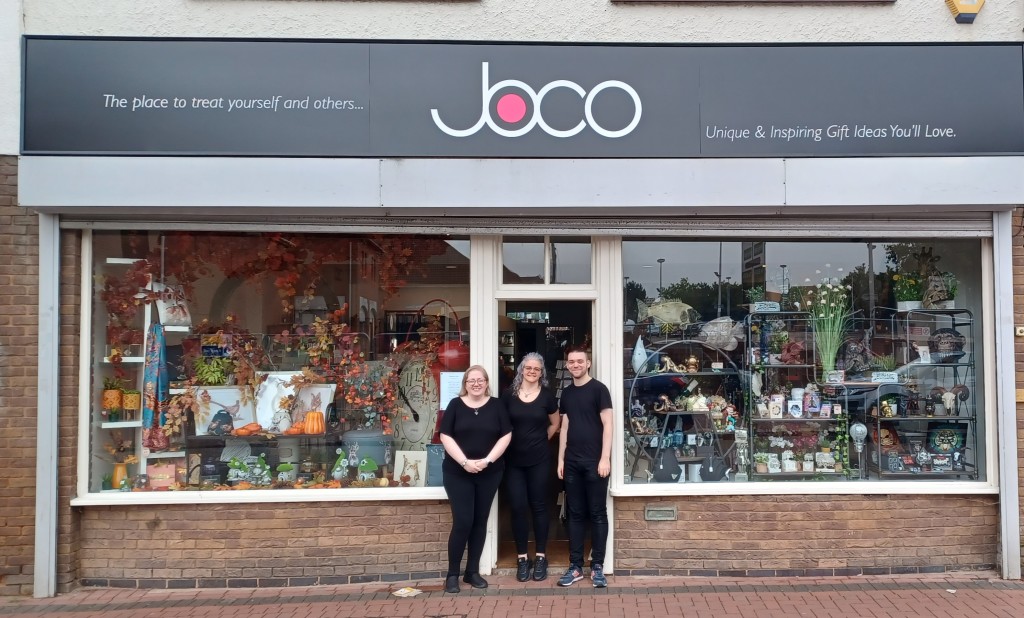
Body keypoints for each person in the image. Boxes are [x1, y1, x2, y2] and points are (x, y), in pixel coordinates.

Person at [438, 365, 512, 594]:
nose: (476, 384)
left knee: (480, 521)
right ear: (465, 384)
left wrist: (487, 460)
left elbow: (506, 434)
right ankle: (452, 574)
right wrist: (464, 462)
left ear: (487, 382)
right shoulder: (455, 405)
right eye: (472, 381)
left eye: (480, 380)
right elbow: (445, 435)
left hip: (489, 473)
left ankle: (472, 572)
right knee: (463, 522)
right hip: (457, 472)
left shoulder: (497, 405)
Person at [501, 352, 560, 582]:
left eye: (537, 369)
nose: (532, 371)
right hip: (514, 461)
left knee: (539, 507)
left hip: (539, 460)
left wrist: (544, 438)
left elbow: (556, 422)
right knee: (517, 507)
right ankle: (522, 558)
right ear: (521, 370)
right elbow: (501, 424)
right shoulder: (508, 396)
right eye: (528, 368)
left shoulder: (546, 396)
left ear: (541, 372)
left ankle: (541, 557)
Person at [556, 345, 613, 588]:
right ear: (567, 364)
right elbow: (565, 428)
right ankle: (576, 566)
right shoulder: (567, 394)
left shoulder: (599, 390)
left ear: (588, 363)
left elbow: (608, 425)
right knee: (575, 514)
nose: (575, 365)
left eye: (580, 361)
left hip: (595, 462)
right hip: (572, 462)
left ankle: (597, 565)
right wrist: (560, 459)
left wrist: (605, 458)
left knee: (598, 513)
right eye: (571, 362)